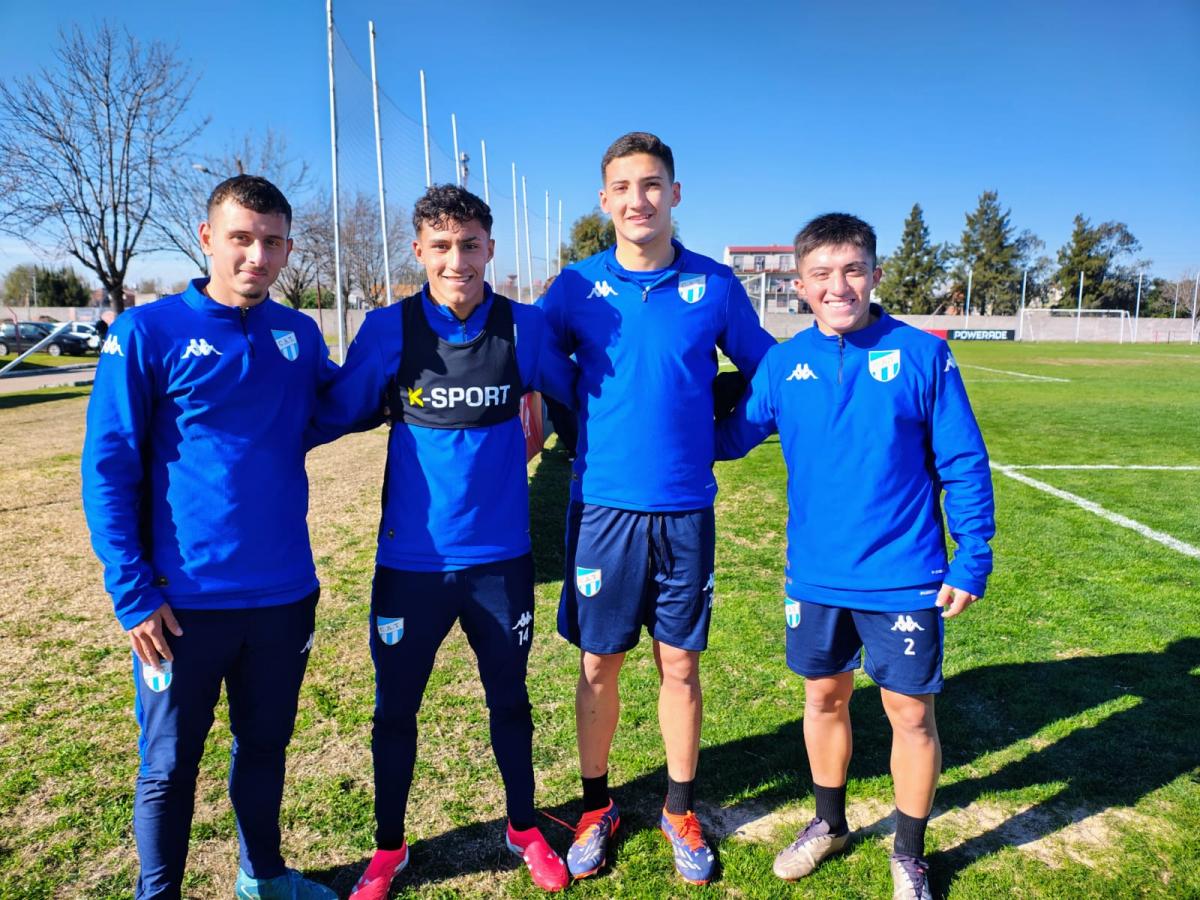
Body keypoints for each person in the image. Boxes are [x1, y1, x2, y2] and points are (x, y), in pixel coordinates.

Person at [715, 213, 995, 900]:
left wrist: (972, 556)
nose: (837, 286)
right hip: (815, 576)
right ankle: (829, 824)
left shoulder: (922, 355)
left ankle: (909, 852)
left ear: (874, 274)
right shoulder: (783, 364)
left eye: (852, 270)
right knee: (823, 698)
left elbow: (963, 461)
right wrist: (666, 398)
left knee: (911, 714)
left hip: (904, 574)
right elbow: (729, 439)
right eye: (821, 274)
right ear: (800, 284)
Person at [310, 185, 577, 897]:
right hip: (412, 565)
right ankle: (388, 849)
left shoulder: (525, 329)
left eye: (469, 245)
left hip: (501, 562)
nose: (456, 260)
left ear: (490, 248)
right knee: (395, 710)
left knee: (510, 700)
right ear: (419, 251)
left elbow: (583, 405)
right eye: (441, 246)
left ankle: (524, 828)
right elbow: (331, 413)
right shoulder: (388, 330)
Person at [81, 176, 337, 899]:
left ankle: (264, 877)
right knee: (168, 765)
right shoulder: (146, 332)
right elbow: (108, 468)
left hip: (283, 596)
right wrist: (132, 593)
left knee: (265, 745)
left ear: (288, 248)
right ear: (207, 238)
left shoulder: (299, 334)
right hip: (179, 605)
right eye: (241, 238)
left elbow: (337, 405)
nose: (257, 255)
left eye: (272, 242)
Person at [539, 132, 776, 885]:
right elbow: (535, 366)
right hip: (603, 510)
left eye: (651, 185)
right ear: (604, 199)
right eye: (622, 186)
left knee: (680, 663)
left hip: (684, 511)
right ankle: (595, 808)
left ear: (674, 194)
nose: (637, 199)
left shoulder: (715, 285)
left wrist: (724, 439)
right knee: (598, 663)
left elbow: (772, 374)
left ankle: (679, 808)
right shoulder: (574, 287)